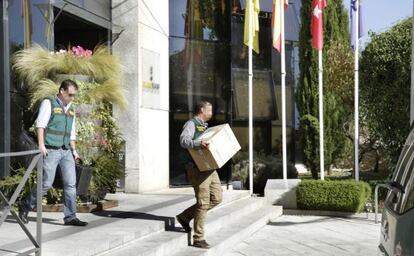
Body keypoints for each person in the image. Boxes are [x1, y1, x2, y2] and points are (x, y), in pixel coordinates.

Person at [19, 79, 88, 226]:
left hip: (66, 150)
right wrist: (41, 145)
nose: (72, 97)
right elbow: (40, 125)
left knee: (70, 184)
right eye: (70, 94)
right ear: (62, 91)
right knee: (46, 183)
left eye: (74, 95)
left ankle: (70, 217)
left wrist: (74, 150)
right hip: (51, 149)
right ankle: (25, 205)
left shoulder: (71, 108)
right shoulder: (49, 103)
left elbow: (72, 132)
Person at [176, 101, 223, 249]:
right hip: (197, 168)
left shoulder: (206, 126)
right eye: (210, 109)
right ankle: (198, 238)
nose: (212, 112)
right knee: (203, 203)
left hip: (210, 167)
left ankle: (184, 216)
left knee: (217, 198)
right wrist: (198, 143)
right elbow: (183, 141)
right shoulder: (191, 124)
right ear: (202, 110)